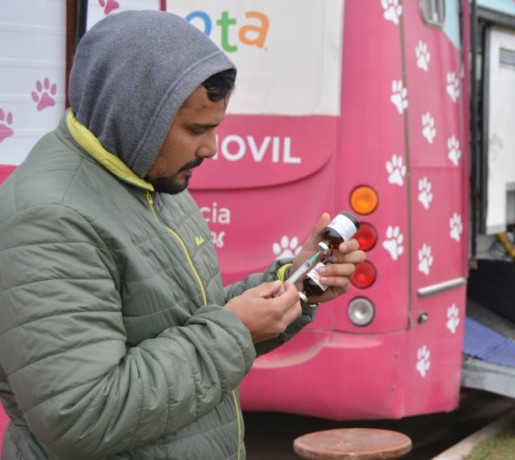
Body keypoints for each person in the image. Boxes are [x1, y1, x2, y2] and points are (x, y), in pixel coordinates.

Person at [0, 10, 364, 459]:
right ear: (134, 116)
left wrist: (294, 282)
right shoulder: (48, 220)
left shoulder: (147, 173)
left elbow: (184, 320)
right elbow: (83, 414)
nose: (211, 148)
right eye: (197, 130)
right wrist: (235, 331)